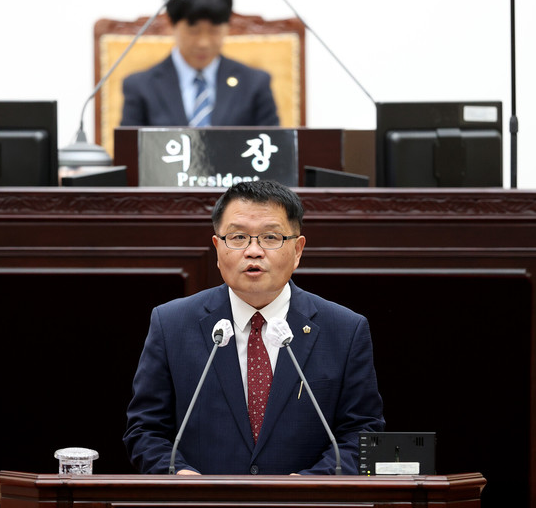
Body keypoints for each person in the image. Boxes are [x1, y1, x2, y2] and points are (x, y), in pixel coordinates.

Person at [123, 180, 384, 475]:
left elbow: (362, 432)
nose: (254, 251)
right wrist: (179, 475)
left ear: (298, 250)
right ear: (217, 248)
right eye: (238, 237)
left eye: (271, 237)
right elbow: (145, 429)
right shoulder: (172, 324)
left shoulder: (345, 330)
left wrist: (313, 483)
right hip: (202, 498)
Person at [120, 0, 280, 127]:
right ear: (171, 24)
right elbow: (129, 148)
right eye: (193, 31)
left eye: (214, 30)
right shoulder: (140, 87)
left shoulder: (254, 84)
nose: (203, 43)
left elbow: (273, 145)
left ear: (228, 26)